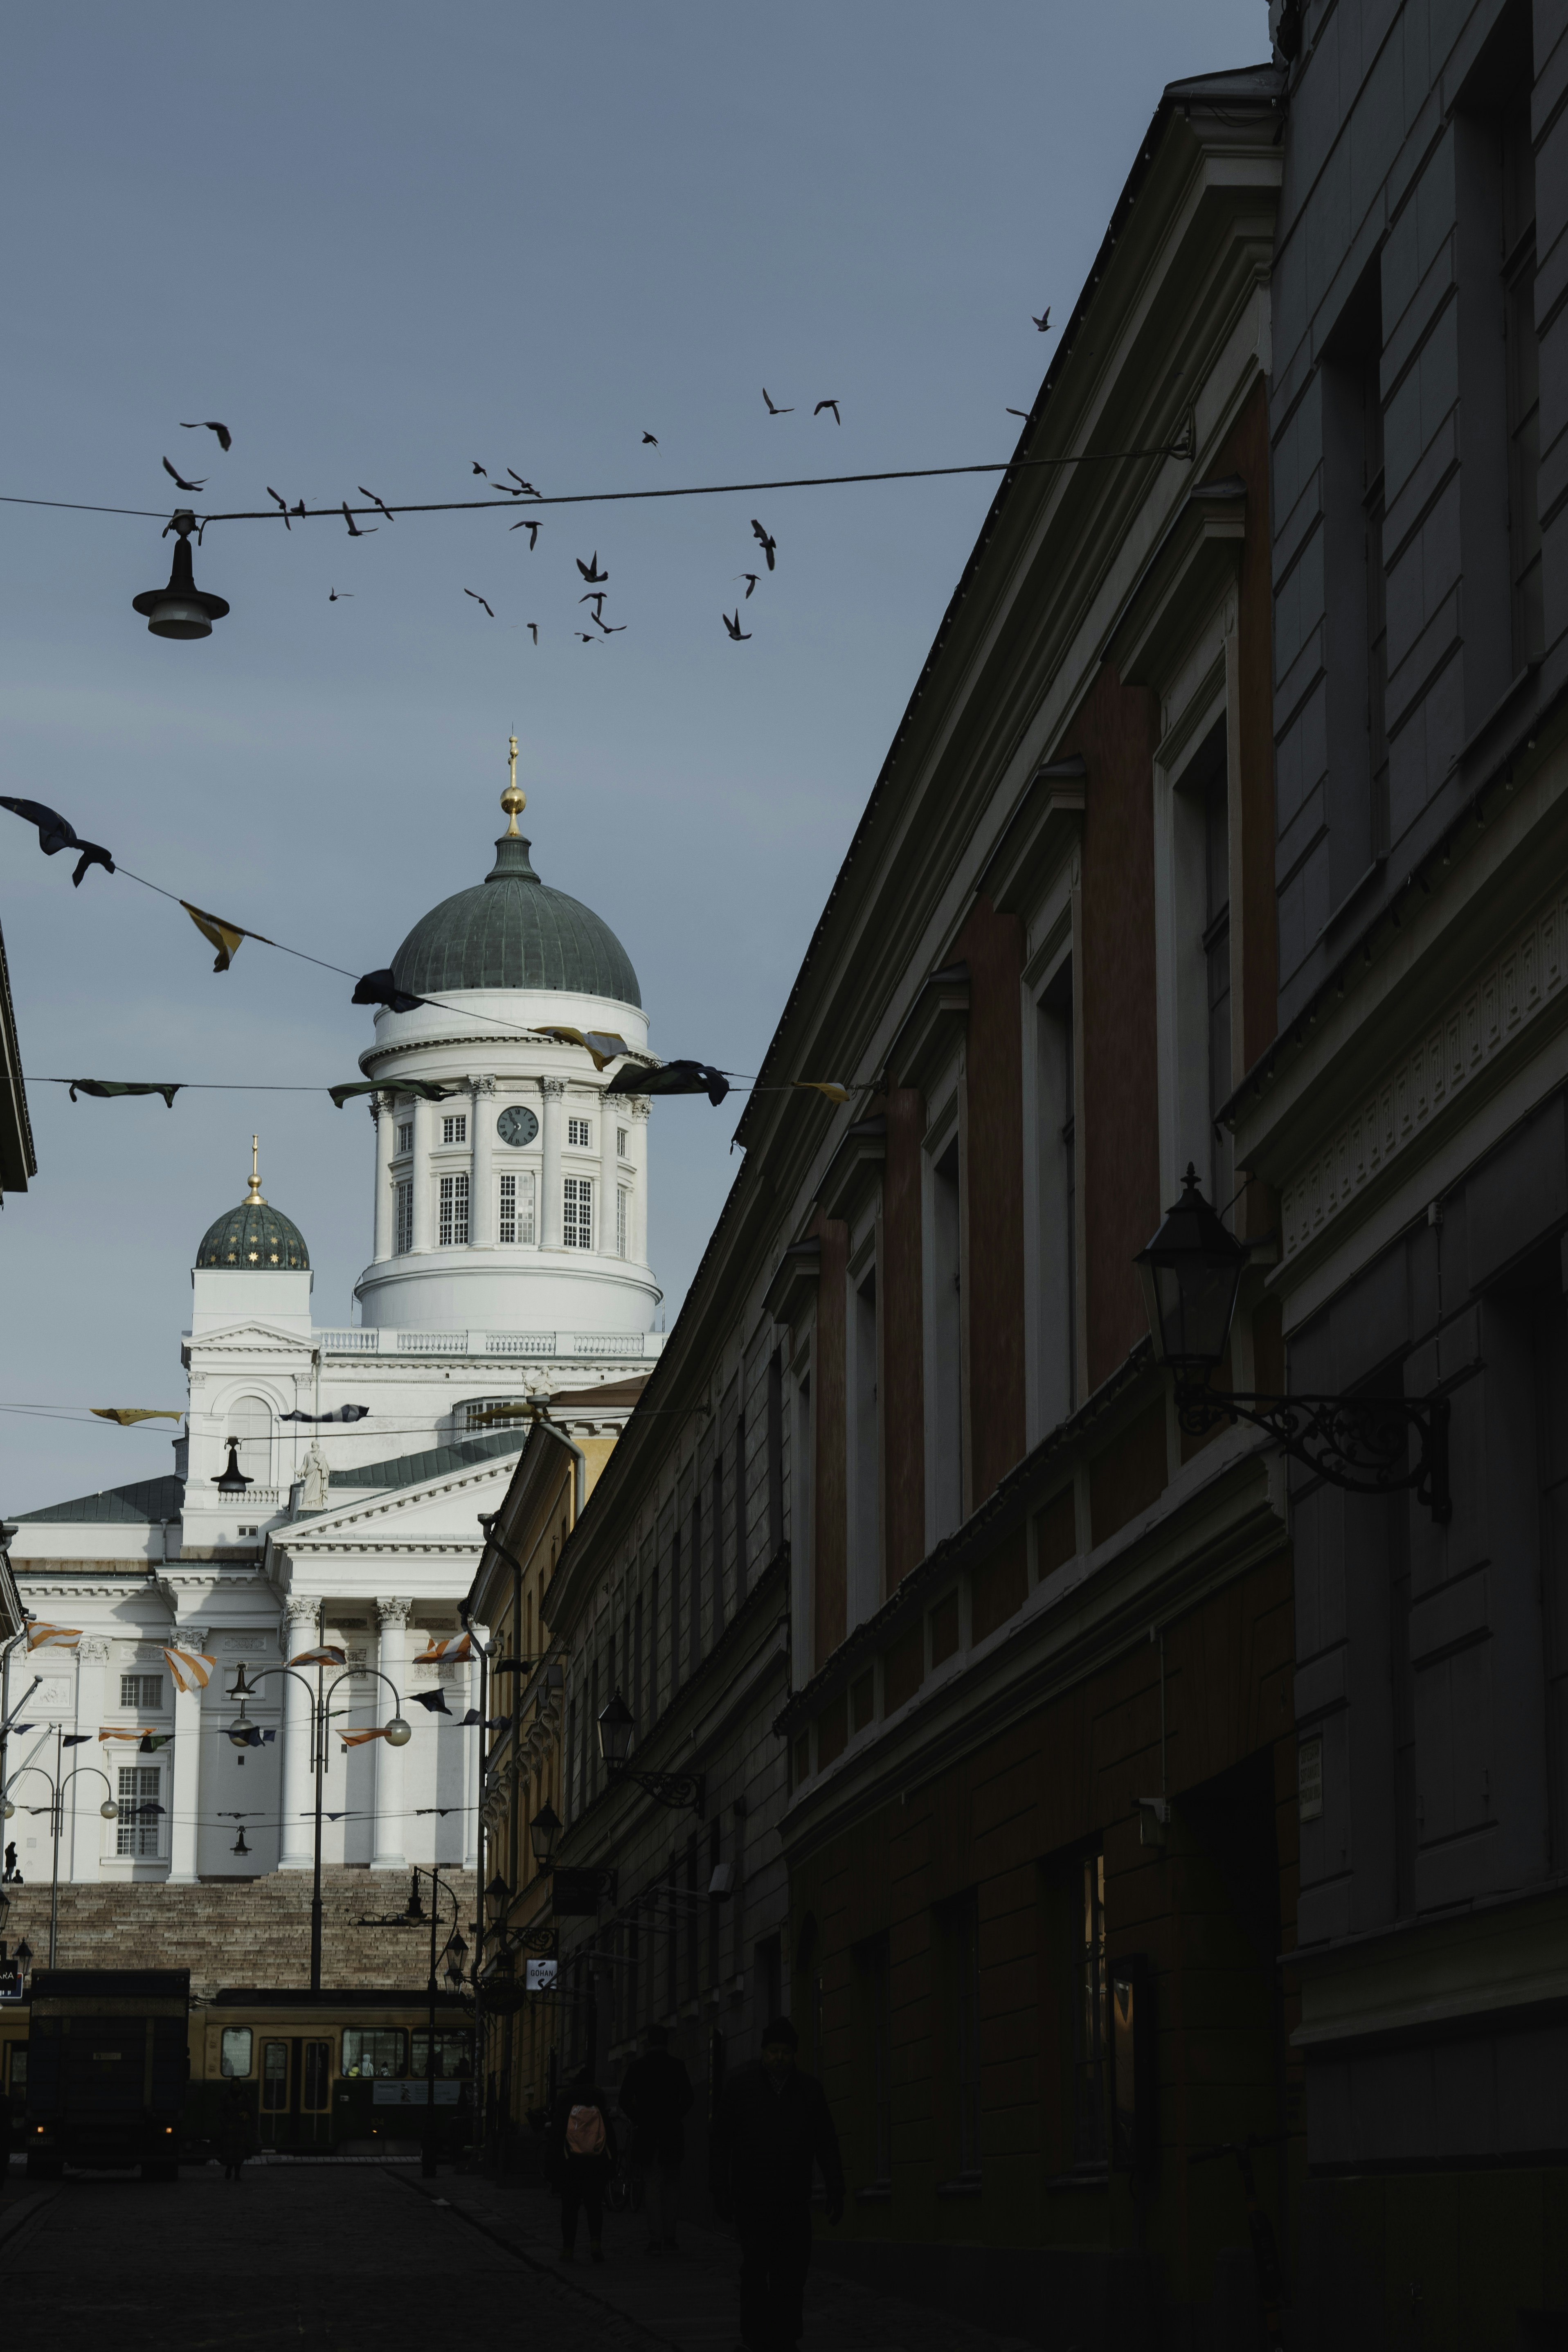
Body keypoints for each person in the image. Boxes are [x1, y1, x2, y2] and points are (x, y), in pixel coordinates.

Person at [712, 2017, 843, 2352]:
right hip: (751, 2197)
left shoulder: (810, 2091)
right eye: (773, 2051)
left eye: (785, 2052)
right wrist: (720, 2190)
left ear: (795, 2054)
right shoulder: (740, 2089)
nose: (779, 2058)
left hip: (793, 2197)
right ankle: (755, 2336)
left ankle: (785, 2337)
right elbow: (720, 2143)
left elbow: (825, 2142)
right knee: (755, 2269)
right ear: (763, 2052)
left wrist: (835, 2186)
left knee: (791, 2273)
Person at [618, 2023, 694, 2255]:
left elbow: (623, 2099)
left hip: (648, 2132)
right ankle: (670, 2237)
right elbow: (689, 2098)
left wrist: (639, 2118)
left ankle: (655, 2239)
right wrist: (674, 2116)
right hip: (671, 2132)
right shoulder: (677, 2067)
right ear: (667, 2042)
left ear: (649, 2043)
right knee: (672, 2185)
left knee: (652, 2184)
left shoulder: (637, 2067)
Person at [547, 2061, 618, 2264]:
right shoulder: (599, 2106)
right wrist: (611, 2166)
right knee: (594, 2206)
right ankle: (596, 2245)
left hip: (570, 2165)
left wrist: (552, 2168)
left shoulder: (565, 2107)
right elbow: (610, 2140)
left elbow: (555, 2139)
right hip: (596, 2166)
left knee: (569, 2208)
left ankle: (568, 2249)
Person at [217, 2077, 256, 2182]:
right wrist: (225, 2123)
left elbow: (251, 2110)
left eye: (236, 2085)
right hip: (231, 2128)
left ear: (239, 2085)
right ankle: (230, 2169)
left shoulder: (245, 2096)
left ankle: (236, 2174)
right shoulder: (227, 2096)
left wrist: (248, 2117)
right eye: (234, 2085)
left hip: (240, 2128)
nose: (235, 2087)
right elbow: (221, 2111)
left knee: (238, 2153)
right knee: (232, 2153)